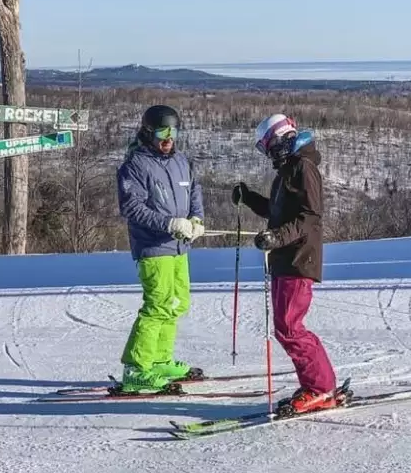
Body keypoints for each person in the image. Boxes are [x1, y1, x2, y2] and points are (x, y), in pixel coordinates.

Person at [231, 113, 342, 414]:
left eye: (268, 146)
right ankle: (317, 385)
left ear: (281, 140)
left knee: (290, 327)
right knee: (286, 327)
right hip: (284, 258)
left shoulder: (304, 167)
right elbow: (277, 211)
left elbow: (310, 218)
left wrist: (277, 237)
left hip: (299, 257)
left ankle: (321, 389)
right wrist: (249, 198)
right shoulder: (288, 169)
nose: (268, 153)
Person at [116, 104, 205, 393]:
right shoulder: (135, 165)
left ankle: (159, 360)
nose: (168, 139)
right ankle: (136, 368)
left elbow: (194, 191)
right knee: (157, 306)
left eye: (173, 132)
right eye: (162, 133)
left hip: (180, 246)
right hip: (153, 246)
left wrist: (196, 218)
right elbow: (131, 208)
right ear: (147, 132)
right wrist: (169, 223)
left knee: (177, 303)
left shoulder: (180, 160)